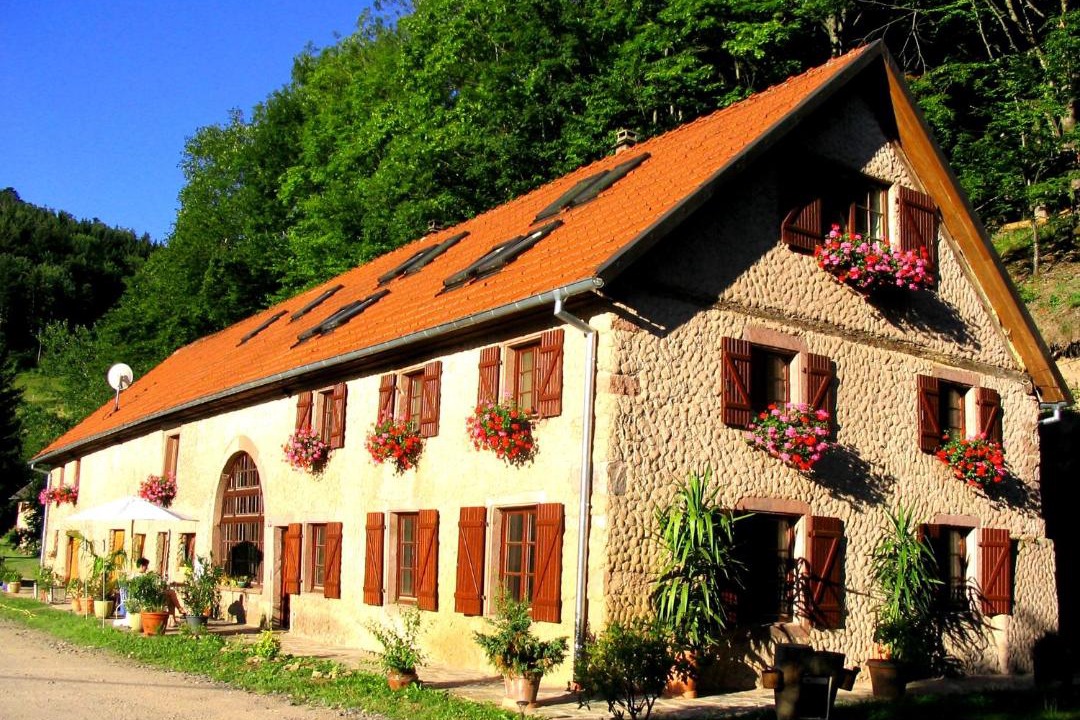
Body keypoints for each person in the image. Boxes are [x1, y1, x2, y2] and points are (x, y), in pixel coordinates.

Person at [134, 556, 184, 626]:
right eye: (146, 566)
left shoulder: (135, 575)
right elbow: (149, 589)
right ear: (142, 566)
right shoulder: (141, 576)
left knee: (170, 597)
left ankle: (173, 620)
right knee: (171, 593)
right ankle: (179, 610)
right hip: (150, 599)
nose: (147, 568)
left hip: (149, 597)